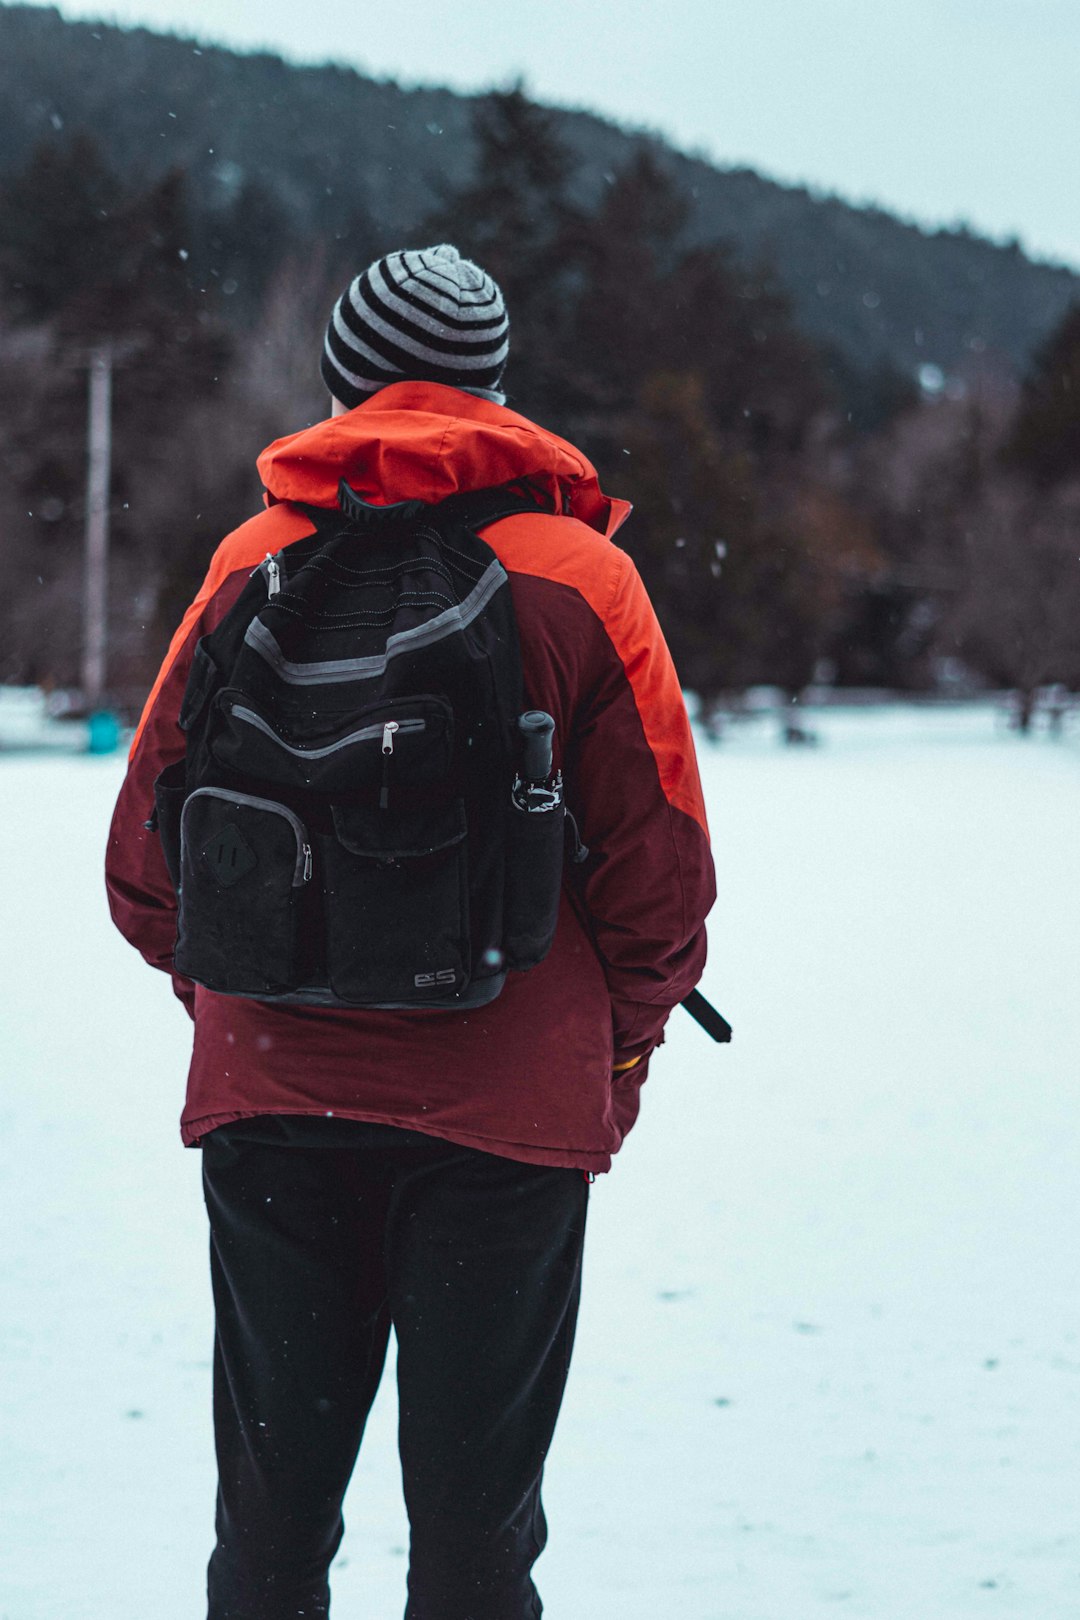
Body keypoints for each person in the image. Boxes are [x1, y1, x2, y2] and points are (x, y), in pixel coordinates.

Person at [106, 243, 716, 1620]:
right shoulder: (580, 576)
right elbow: (660, 875)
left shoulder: (252, 559)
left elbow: (146, 861)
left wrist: (256, 1007)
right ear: (497, 391)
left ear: (343, 385)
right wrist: (608, 1063)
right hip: (503, 1123)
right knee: (474, 1530)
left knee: (269, 1524)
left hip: (272, 1110)